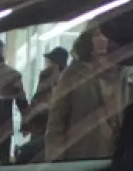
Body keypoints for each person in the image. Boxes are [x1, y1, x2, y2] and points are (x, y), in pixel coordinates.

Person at [46, 27, 126, 161]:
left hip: (113, 156)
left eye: (105, 35)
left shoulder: (121, 73)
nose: (102, 39)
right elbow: (57, 119)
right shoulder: (73, 74)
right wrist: (55, 159)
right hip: (80, 156)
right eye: (97, 35)